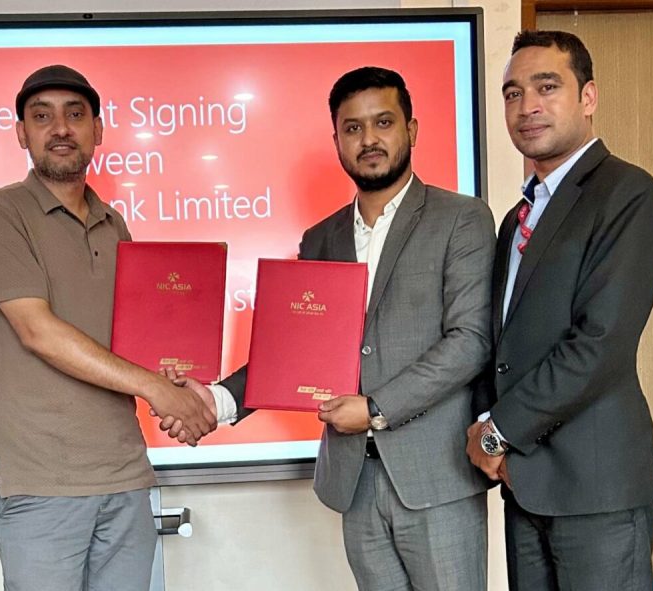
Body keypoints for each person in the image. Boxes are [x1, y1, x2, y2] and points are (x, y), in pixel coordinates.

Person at [166, 66, 495, 590]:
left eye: (383, 122)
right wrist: (217, 401)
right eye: (353, 128)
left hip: (436, 478)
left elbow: (470, 342)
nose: (369, 140)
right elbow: (292, 350)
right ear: (337, 140)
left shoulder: (461, 218)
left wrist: (376, 407)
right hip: (354, 480)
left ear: (411, 129)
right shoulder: (321, 238)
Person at [0, 64, 216, 591]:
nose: (60, 128)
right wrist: (155, 389)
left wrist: (172, 379)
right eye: (42, 117)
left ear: (97, 130)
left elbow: (133, 345)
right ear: (21, 133)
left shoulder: (114, 223)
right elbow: (38, 332)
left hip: (126, 476)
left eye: (75, 115)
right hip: (43, 488)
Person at [467, 30, 653, 591]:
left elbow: (600, 341)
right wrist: (490, 435)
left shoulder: (627, 193)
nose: (526, 106)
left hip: (596, 487)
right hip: (524, 483)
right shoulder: (516, 219)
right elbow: (500, 345)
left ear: (588, 96)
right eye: (512, 93)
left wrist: (497, 431)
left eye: (547, 87)